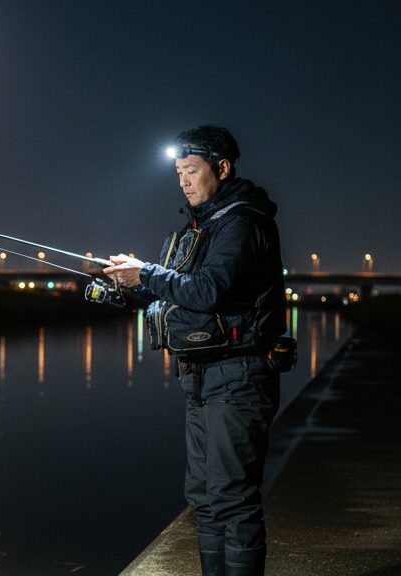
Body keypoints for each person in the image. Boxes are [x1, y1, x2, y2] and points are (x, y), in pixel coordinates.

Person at [103, 125, 286, 576]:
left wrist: (145, 273)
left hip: (239, 376)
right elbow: (177, 293)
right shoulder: (202, 226)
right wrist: (128, 286)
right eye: (178, 173)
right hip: (201, 375)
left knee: (233, 498)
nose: (183, 181)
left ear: (221, 169)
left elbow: (207, 290)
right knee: (203, 498)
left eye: (191, 170)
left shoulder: (243, 222)